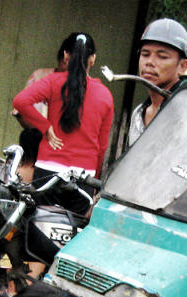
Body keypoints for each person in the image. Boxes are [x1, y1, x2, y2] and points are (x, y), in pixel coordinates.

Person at [12, 31, 114, 211]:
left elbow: (20, 102)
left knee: (41, 224)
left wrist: (46, 126)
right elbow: (102, 146)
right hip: (83, 176)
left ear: (66, 55)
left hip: (48, 170)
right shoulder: (105, 95)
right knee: (74, 231)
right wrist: (93, 176)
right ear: (93, 59)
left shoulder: (52, 82)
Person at [127, 18, 187, 147]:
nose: (149, 62)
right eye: (145, 54)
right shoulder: (138, 114)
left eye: (162, 57)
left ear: (182, 66)